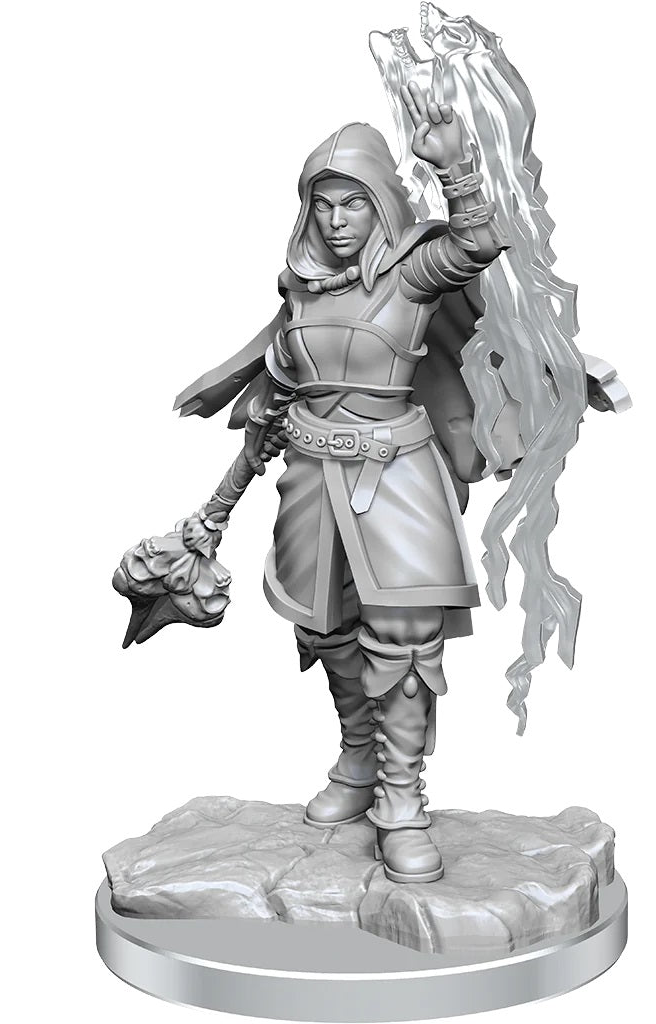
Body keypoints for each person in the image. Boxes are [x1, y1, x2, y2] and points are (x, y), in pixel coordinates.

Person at [177, 84, 506, 883]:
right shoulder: (300, 292)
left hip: (396, 476)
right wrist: (222, 498)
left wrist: (456, 167)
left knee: (404, 639)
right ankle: (358, 759)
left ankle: (402, 799)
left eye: (353, 202)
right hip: (310, 475)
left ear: (382, 203)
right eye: (321, 204)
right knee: (324, 627)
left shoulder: (410, 274)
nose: (335, 220)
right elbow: (278, 398)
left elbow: (475, 244)